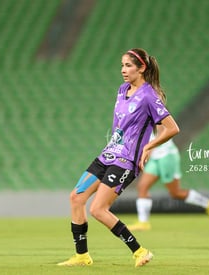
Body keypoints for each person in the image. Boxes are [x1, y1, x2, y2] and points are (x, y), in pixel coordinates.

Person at [57, 48, 179, 267]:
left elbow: (171, 128)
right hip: (108, 154)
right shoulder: (122, 89)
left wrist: (149, 146)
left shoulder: (150, 95)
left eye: (129, 65)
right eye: (122, 65)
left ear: (141, 68)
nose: (123, 70)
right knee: (76, 197)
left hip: (125, 161)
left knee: (98, 209)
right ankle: (82, 256)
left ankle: (140, 252)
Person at [128, 131, 209, 231]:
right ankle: (143, 223)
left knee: (175, 192)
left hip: (167, 156)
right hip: (155, 157)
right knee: (142, 187)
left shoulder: (154, 115)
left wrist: (148, 151)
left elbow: (162, 132)